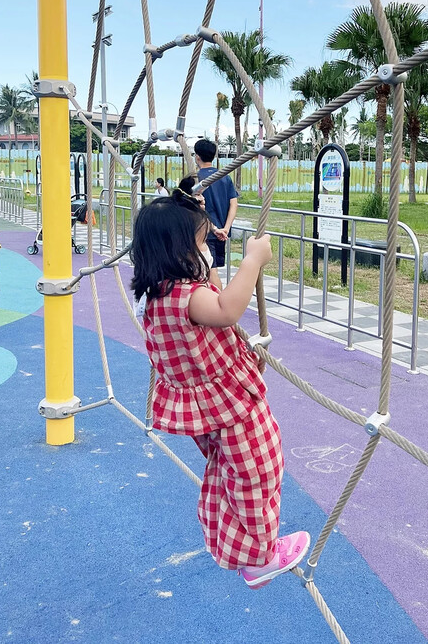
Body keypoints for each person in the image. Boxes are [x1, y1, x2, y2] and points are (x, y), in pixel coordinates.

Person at [130, 195, 309, 589]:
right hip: (228, 406)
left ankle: (243, 547)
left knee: (231, 472)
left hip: (203, 408)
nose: (206, 250)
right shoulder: (186, 297)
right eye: (199, 243)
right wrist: (253, 259)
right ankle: (260, 559)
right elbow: (228, 310)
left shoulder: (157, 295)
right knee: (258, 472)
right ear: (177, 250)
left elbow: (204, 335)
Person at [194, 138, 237, 271]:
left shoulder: (195, 179)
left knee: (209, 272)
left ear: (197, 157)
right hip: (221, 232)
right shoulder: (224, 177)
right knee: (213, 269)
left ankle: (217, 293)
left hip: (204, 231)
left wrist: (215, 229)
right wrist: (226, 228)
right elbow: (234, 204)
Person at [176, 175, 222, 289]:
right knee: (212, 273)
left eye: (202, 194)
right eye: (197, 194)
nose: (202, 198)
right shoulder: (184, 217)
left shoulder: (200, 215)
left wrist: (215, 229)